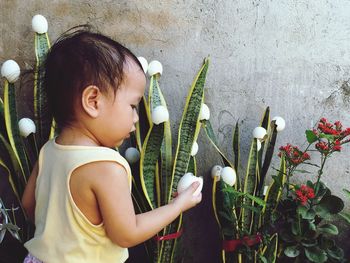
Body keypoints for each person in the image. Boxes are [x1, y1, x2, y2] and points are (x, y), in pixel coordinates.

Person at [21, 27, 202, 263]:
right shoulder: (107, 165)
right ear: (93, 101)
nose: (136, 117)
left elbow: (28, 205)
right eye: (132, 106)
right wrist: (178, 206)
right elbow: (127, 233)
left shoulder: (49, 151)